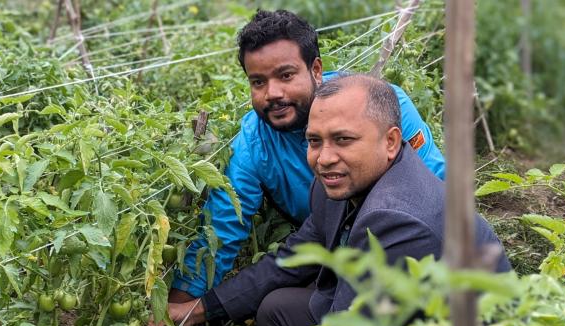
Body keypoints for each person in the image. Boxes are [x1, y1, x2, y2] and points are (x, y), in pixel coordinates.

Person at [152, 73, 511, 326]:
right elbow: (292, 259)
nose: (324, 158)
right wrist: (200, 308)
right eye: (314, 141)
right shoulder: (344, 184)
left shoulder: (400, 219)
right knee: (278, 311)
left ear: (390, 141)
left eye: (343, 139)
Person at [169, 9, 446, 304]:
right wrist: (180, 305)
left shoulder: (383, 108)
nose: (272, 93)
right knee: (278, 311)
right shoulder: (254, 140)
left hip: (410, 254)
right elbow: (224, 226)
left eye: (286, 75)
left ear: (315, 70)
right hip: (328, 255)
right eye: (258, 82)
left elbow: (436, 189)